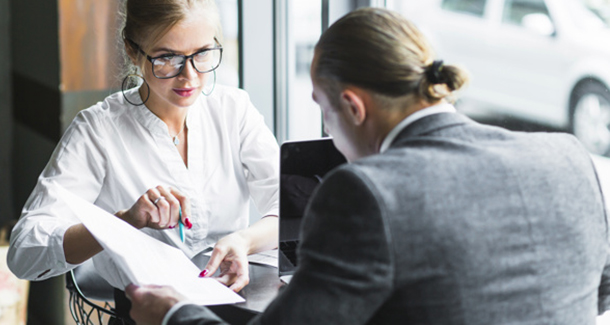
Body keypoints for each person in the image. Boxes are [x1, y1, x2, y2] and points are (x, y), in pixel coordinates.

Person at [124, 7, 610, 325]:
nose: (329, 134)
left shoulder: (366, 192)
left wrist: (174, 314)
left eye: (324, 112)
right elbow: (597, 289)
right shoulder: (567, 157)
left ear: (353, 107)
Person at [6, 0, 279, 294]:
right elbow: (25, 253)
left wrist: (243, 241)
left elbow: (293, 209)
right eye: (167, 58)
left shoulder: (234, 110)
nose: (189, 75)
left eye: (202, 53)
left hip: (233, 305)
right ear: (132, 50)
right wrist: (123, 223)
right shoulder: (98, 130)